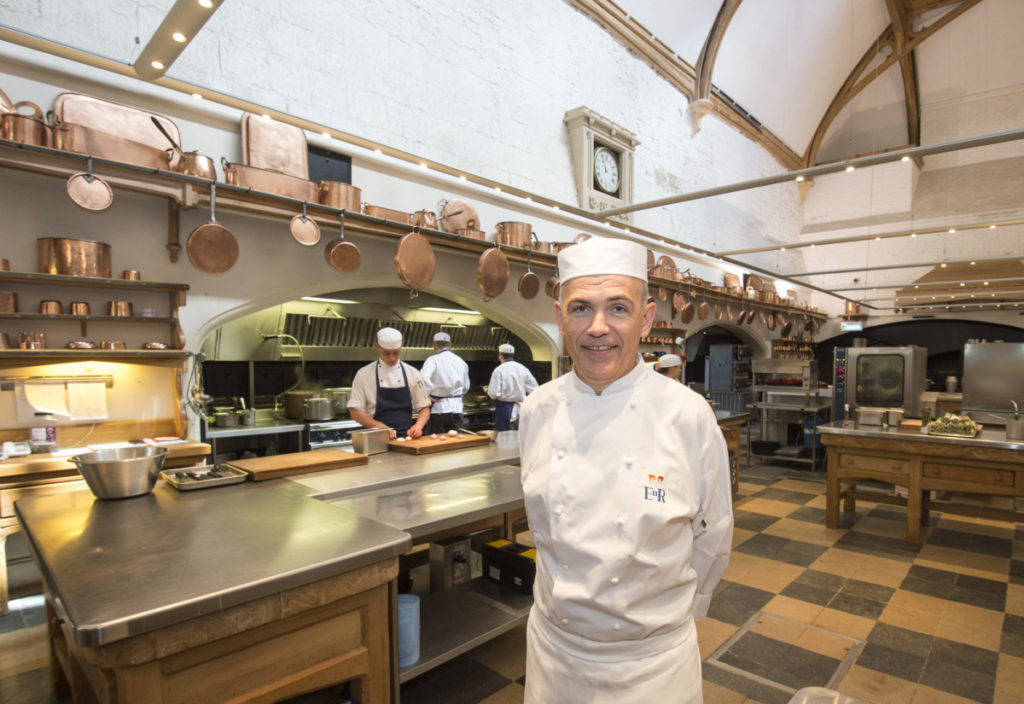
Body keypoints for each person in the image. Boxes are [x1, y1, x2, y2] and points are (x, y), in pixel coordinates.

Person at [518, 237, 733, 703]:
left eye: (618, 308)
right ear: (560, 318)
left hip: (653, 666)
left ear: (647, 318)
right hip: (557, 657)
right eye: (580, 309)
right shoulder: (536, 410)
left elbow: (713, 532)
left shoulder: (688, 415)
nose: (598, 328)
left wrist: (679, 613)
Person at [347, 326, 431, 439]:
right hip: (376, 439)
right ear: (378, 347)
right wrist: (379, 427)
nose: (392, 358)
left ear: (401, 347)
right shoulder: (364, 374)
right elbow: (355, 412)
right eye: (387, 353)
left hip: (408, 438)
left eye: (395, 353)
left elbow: (424, 407)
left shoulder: (413, 373)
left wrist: (418, 426)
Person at [420, 331, 471, 434]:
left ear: (434, 346)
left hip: (439, 410)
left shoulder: (433, 360)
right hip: (457, 409)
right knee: (456, 442)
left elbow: (423, 378)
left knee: (437, 444)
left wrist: (426, 395)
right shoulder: (461, 361)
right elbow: (466, 387)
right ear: (450, 345)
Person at [487, 343, 538, 431]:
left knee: (505, 439)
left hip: (504, 410)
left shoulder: (499, 370)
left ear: (501, 355)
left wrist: (489, 391)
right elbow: (535, 389)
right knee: (520, 440)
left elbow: (493, 393)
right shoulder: (523, 368)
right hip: (522, 410)